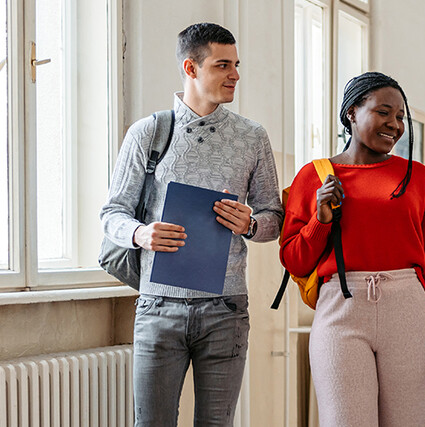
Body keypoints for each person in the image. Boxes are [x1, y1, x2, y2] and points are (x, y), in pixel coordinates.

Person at [100, 23, 283, 426]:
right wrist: (140, 233)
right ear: (191, 67)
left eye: (236, 65)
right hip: (158, 309)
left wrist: (251, 224)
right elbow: (111, 214)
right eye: (223, 65)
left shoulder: (252, 138)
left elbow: (275, 219)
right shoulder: (148, 133)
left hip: (226, 311)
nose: (235, 74)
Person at [279, 71, 425, 426]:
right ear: (352, 112)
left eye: (400, 116)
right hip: (340, 310)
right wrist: (321, 219)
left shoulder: (417, 177)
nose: (395, 124)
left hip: (408, 312)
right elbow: (293, 258)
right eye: (383, 112)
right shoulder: (314, 177)